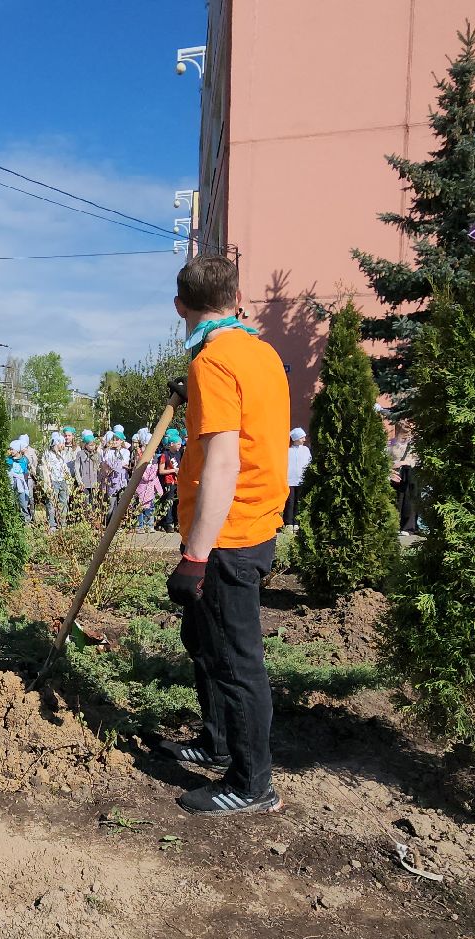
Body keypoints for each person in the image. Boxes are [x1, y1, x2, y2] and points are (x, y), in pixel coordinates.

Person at [156, 255, 291, 816]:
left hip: (228, 537)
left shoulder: (212, 361)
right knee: (204, 643)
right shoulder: (259, 353)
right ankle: (215, 742)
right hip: (252, 524)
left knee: (236, 661)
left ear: (179, 307)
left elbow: (223, 464)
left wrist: (195, 556)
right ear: (239, 300)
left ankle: (252, 783)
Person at [387, 415, 419, 535]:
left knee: (409, 501)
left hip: (409, 476)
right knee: (396, 501)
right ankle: (395, 524)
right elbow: (384, 460)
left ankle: (408, 527)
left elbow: (417, 461)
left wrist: (405, 462)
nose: (405, 437)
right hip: (394, 475)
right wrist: (390, 469)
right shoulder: (390, 444)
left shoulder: (413, 445)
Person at [40, 430, 72, 529]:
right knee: (51, 504)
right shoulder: (47, 454)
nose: (63, 444)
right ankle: (52, 524)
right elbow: (44, 470)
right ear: (56, 443)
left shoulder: (62, 454)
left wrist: (69, 480)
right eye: (61, 442)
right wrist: (47, 484)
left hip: (63, 481)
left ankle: (62, 523)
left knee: (63, 503)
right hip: (52, 481)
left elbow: (65, 468)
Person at [284, 427, 311, 530]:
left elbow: (308, 462)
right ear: (295, 439)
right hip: (290, 480)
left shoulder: (305, 450)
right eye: (301, 437)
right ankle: (288, 523)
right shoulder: (288, 450)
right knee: (290, 502)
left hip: (301, 480)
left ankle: (297, 522)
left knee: (299, 501)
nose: (304, 439)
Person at [72, 429, 101, 519]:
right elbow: (77, 468)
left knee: (93, 502)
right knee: (85, 501)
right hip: (84, 482)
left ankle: (92, 518)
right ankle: (85, 518)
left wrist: (99, 482)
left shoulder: (97, 455)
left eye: (93, 445)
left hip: (94, 482)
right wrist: (80, 481)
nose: (92, 447)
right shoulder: (80, 454)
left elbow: (99, 469)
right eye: (90, 445)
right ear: (85, 445)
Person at [158, 430, 183, 530]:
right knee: (169, 502)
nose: (180, 446)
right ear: (171, 444)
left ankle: (176, 521)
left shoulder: (178, 454)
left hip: (178, 481)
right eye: (178, 444)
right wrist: (173, 470)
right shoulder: (165, 455)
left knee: (177, 502)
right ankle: (168, 523)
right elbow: (161, 471)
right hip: (169, 481)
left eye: (180, 444)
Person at [9, 436, 36, 526]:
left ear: (17, 450)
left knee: (23, 504)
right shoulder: (9, 460)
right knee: (13, 503)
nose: (11, 451)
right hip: (12, 485)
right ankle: (15, 522)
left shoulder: (23, 460)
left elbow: (26, 469)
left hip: (21, 486)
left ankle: (26, 522)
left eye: (12, 449)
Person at [134, 455, 163, 531]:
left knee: (150, 509)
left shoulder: (154, 466)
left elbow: (155, 479)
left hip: (150, 491)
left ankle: (149, 525)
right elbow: (146, 477)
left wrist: (159, 490)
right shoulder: (140, 468)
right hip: (141, 490)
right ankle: (140, 526)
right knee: (140, 509)